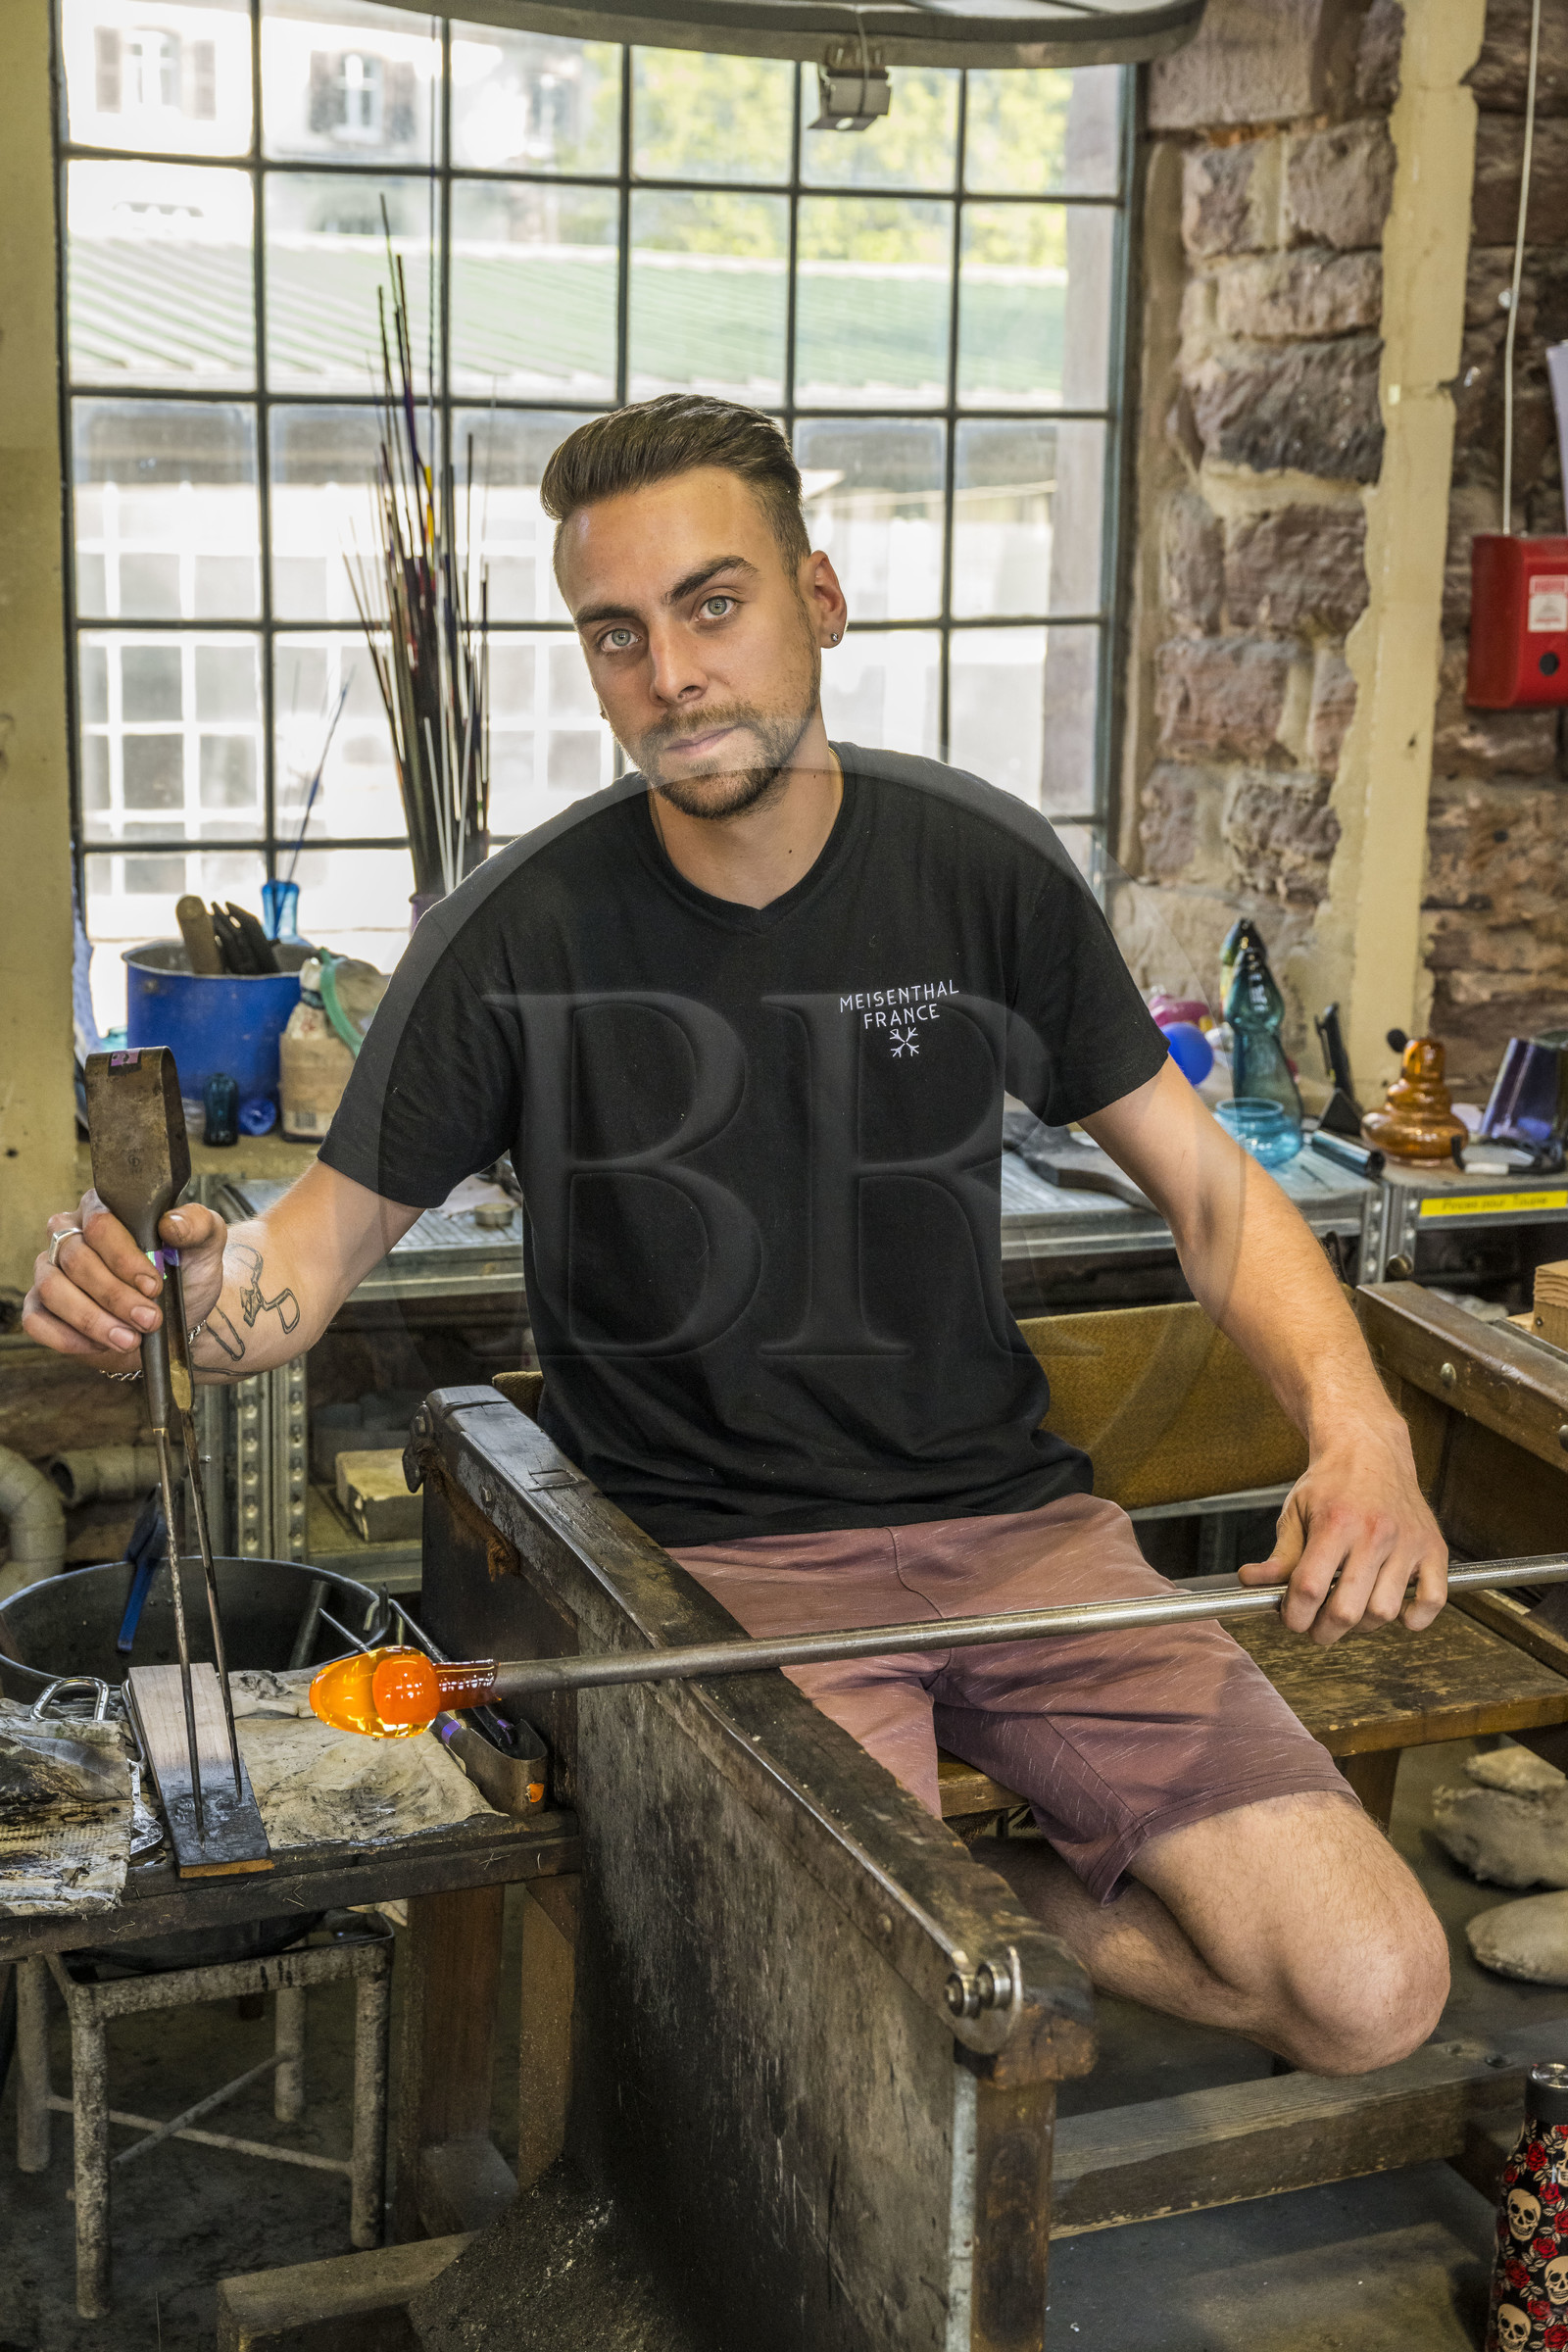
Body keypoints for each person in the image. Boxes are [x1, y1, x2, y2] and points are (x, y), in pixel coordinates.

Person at [25, 394, 1449, 2075]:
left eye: (715, 605)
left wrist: (1359, 1436)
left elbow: (1214, 1198)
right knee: (867, 2059)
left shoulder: (982, 869)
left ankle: (1002, 1900)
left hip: (1023, 1541)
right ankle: (956, 1930)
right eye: (616, 634)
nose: (671, 675)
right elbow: (305, 1263)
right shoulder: (511, 937)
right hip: (722, 1579)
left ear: (820, 599)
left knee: (1372, 1992)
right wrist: (179, 1284)